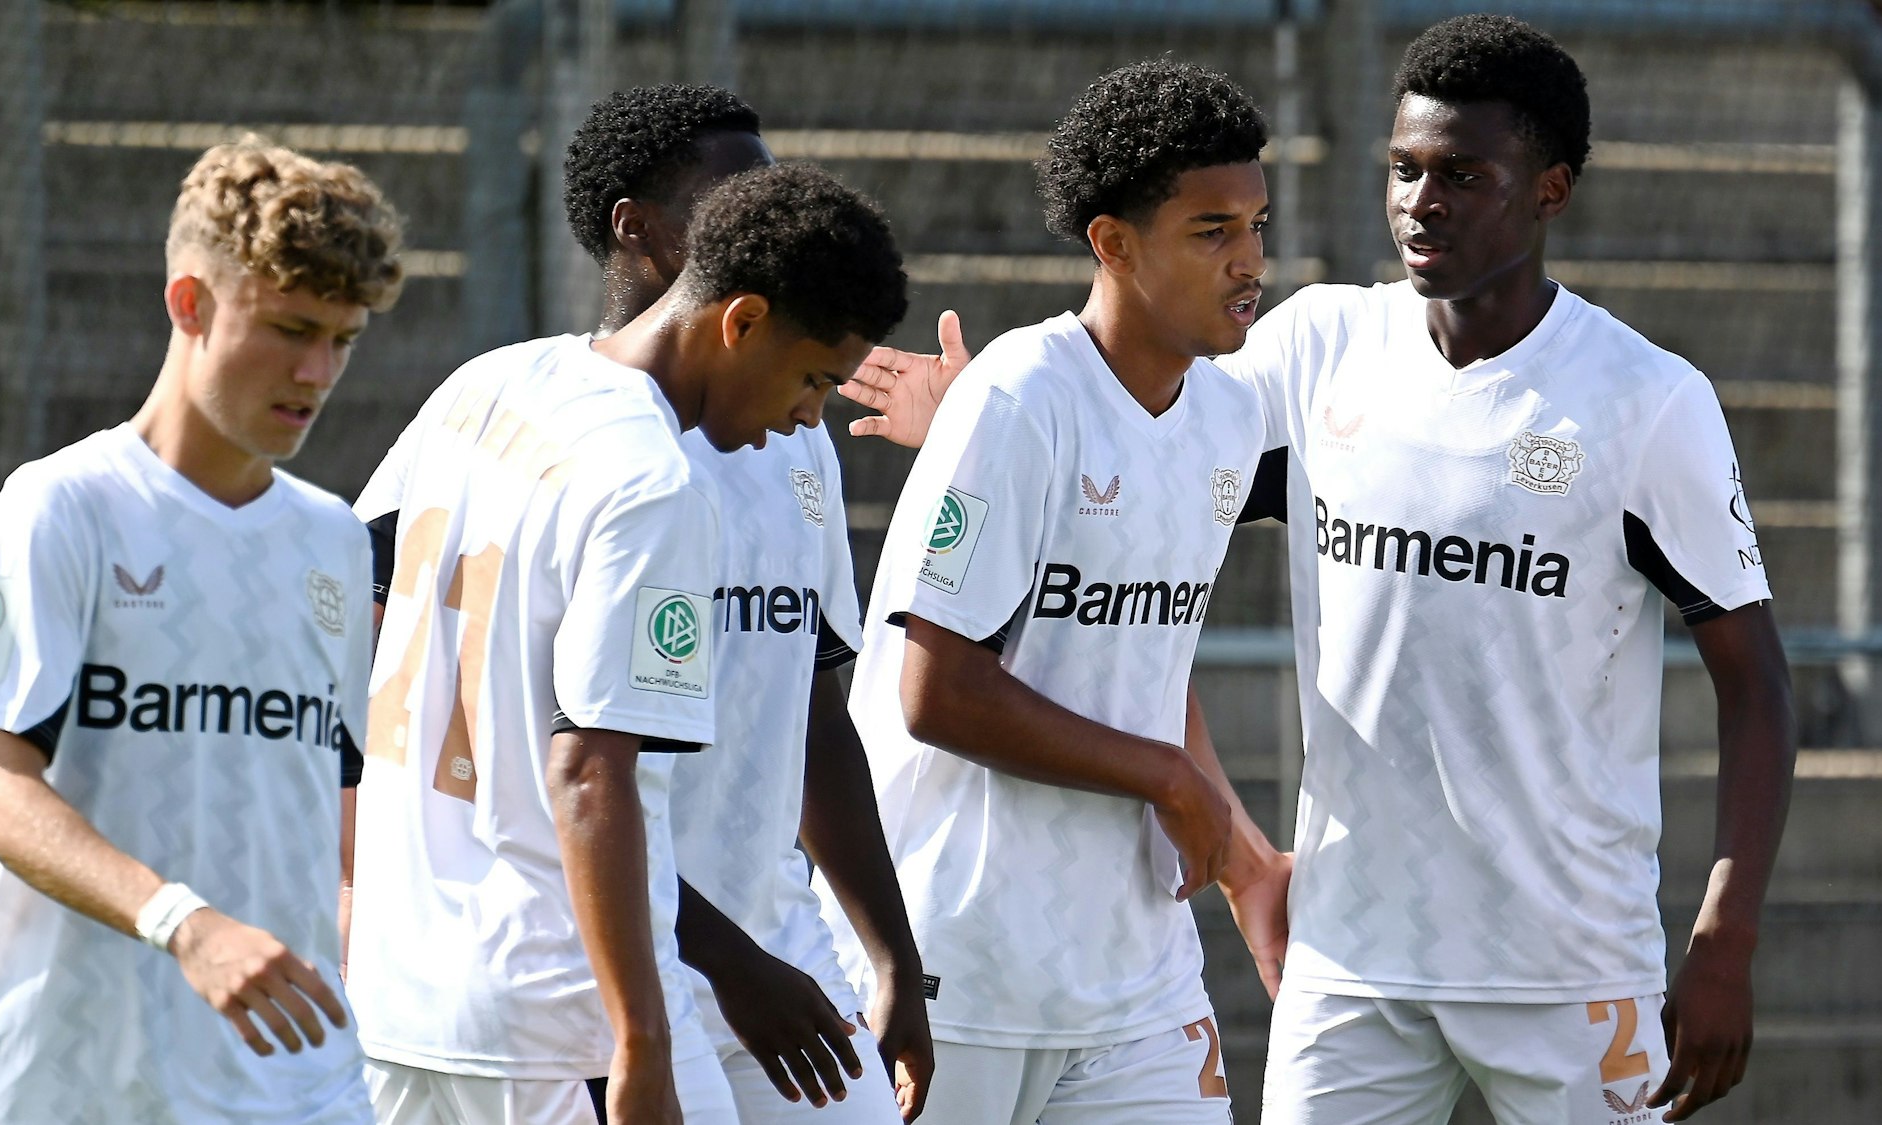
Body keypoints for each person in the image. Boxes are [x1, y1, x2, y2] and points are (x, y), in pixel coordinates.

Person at [847, 16, 1796, 1124]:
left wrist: (1725, 936)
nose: (1421, 202)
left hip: (1566, 963)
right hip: (1347, 960)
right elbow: (1134, 462)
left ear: (1549, 191)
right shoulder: (1314, 349)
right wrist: (988, 425)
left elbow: (1756, 684)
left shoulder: (1648, 401)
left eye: (1462, 176)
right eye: (1403, 169)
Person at [343, 161, 908, 1125]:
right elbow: (589, 771)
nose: (810, 415)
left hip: (409, 998)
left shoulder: (490, 388)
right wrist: (642, 1041)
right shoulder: (652, 484)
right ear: (742, 321)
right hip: (560, 1016)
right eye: (814, 378)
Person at [819, 59, 1292, 1125]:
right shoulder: (1019, 397)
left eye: (1257, 225)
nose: (1249, 261)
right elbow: (937, 693)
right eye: (1211, 231)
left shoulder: (1227, 417)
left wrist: (1243, 859)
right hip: (959, 965)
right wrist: (1167, 781)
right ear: (1112, 243)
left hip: (1137, 981)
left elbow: (1143, 662)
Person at [0, 136, 405, 1123]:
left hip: (294, 1083)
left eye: (343, 340)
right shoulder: (64, 507)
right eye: (290, 328)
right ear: (190, 304)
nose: (316, 371)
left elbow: (337, 812)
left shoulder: (333, 542)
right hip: (74, 1087)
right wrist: (184, 922)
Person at [558, 83, 934, 1124]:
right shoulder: (555, 422)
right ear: (637, 228)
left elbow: (809, 711)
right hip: (615, 967)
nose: (757, 222)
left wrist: (891, 956)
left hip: (780, 957)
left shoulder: (793, 437)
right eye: (725, 202)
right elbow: (556, 761)